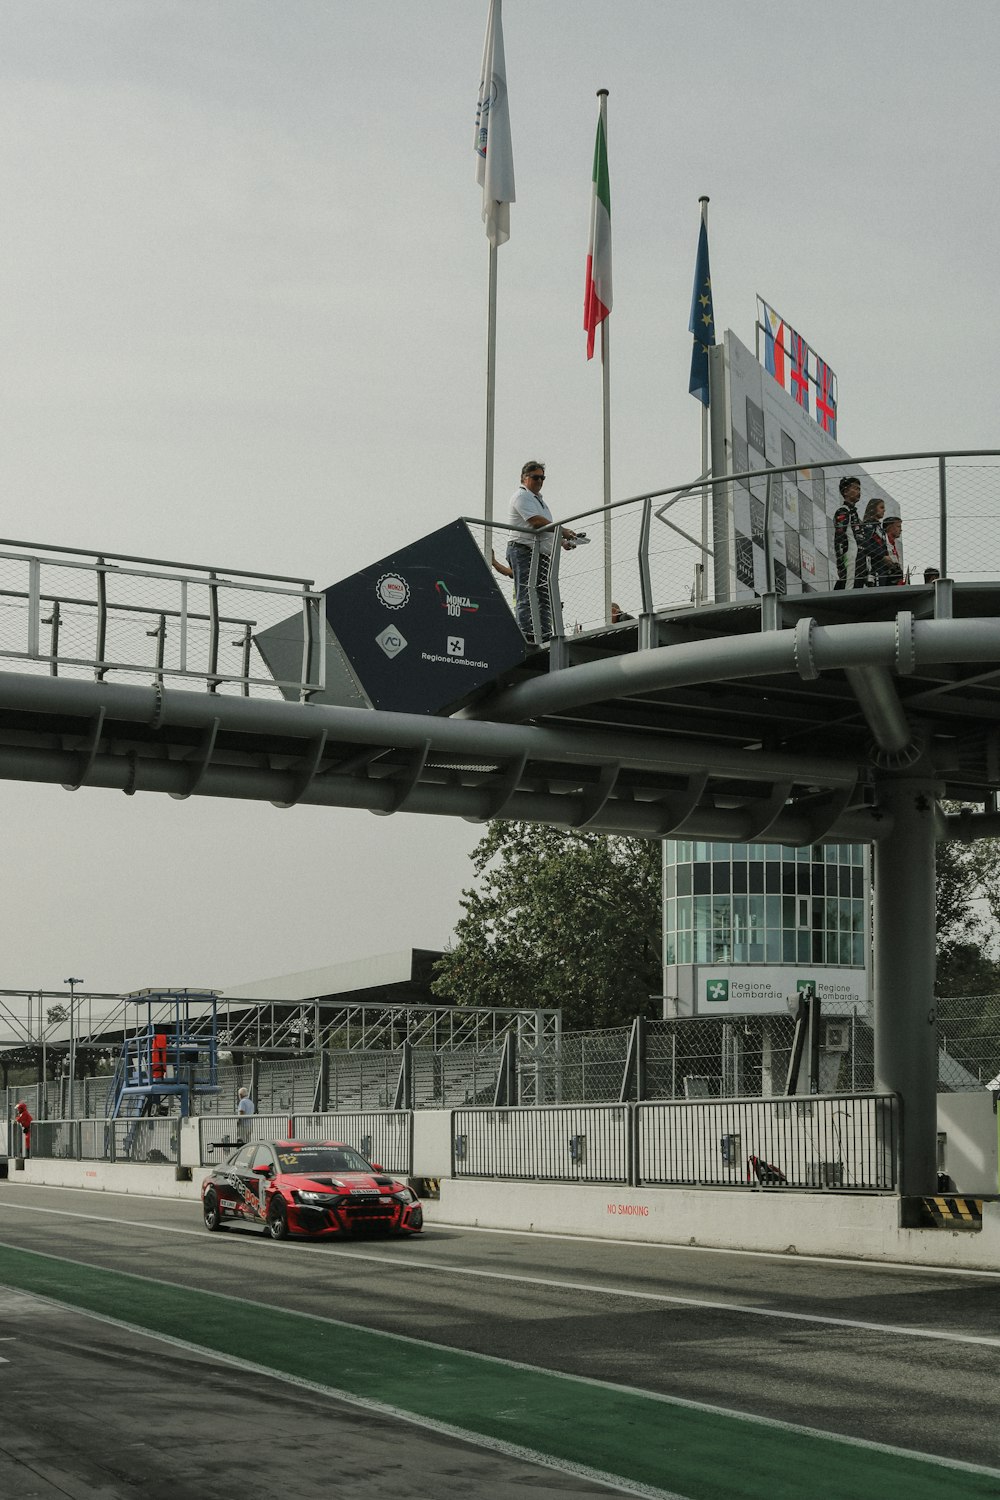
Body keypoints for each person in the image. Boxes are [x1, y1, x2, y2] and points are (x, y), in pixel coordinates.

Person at [506, 461, 577, 643]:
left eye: (542, 477)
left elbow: (545, 530)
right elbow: (536, 522)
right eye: (535, 477)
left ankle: (544, 634)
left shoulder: (539, 501)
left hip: (541, 554)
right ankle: (526, 633)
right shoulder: (521, 496)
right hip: (523, 550)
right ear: (524, 478)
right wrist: (562, 530)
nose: (539, 480)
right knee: (526, 593)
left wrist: (562, 542)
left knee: (544, 596)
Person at [832, 476, 867, 590]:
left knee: (858, 586)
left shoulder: (855, 514)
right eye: (855, 488)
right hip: (850, 556)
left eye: (859, 489)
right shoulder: (843, 511)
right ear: (846, 491)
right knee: (849, 587)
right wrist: (840, 562)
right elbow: (839, 537)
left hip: (860, 557)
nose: (858, 492)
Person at [869, 516, 904, 586]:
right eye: (898, 526)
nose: (901, 530)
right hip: (880, 576)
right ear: (889, 527)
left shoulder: (895, 545)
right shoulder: (880, 540)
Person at [859, 497, 886, 588]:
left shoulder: (880, 528)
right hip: (872, 565)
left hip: (881, 566)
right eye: (881, 507)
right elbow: (866, 545)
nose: (884, 510)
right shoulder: (868, 525)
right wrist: (882, 556)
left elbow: (883, 546)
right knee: (877, 590)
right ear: (873, 508)